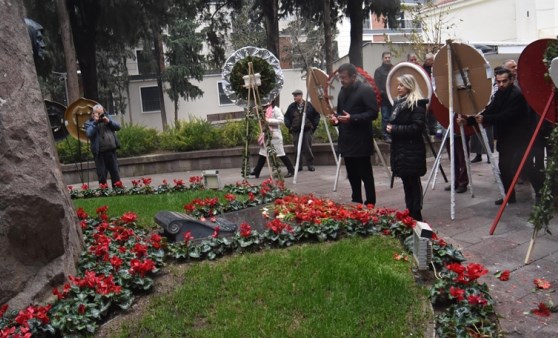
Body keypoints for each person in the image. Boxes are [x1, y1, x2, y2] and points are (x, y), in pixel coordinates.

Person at [461, 68, 533, 205]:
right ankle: (509, 196)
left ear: (511, 80)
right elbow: (491, 109)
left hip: (520, 139)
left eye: (504, 81)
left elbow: (505, 116)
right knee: (505, 167)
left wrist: (485, 118)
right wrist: (469, 120)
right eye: (498, 82)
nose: (501, 85)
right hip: (506, 138)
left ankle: (542, 195)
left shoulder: (516, 95)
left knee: (527, 167)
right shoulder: (500, 93)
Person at [328, 63, 379, 205]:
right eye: (340, 78)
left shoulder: (365, 90)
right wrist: (335, 120)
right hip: (347, 141)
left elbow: (373, 113)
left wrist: (353, 118)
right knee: (352, 175)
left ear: (353, 77)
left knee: (366, 174)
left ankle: (370, 203)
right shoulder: (342, 92)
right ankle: (356, 200)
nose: (341, 80)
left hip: (361, 141)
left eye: (344, 77)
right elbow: (340, 114)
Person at [386, 74, 428, 221]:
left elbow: (417, 128)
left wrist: (395, 129)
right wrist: (390, 128)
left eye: (401, 85)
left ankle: (416, 213)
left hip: (412, 150)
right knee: (406, 182)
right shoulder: (399, 103)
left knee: (413, 182)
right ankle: (410, 210)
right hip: (401, 150)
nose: (398, 88)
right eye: (398, 85)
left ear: (410, 86)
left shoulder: (417, 104)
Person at [250, 101, 295, 178]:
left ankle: (291, 170)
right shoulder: (264, 109)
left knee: (281, 154)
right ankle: (257, 171)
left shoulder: (275, 109)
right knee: (263, 154)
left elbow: (281, 120)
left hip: (275, 135)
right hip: (266, 135)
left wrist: (268, 120)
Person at [85, 104, 122, 187]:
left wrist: (109, 122)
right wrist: (95, 122)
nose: (101, 115)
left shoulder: (107, 118)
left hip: (111, 150)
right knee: (102, 174)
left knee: (115, 172)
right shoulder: (89, 123)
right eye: (98, 113)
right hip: (99, 153)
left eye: (101, 113)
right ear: (93, 113)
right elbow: (89, 133)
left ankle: (118, 190)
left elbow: (118, 127)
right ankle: (104, 191)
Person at [284, 89, 320, 171]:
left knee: (307, 147)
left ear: (301, 96)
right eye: (294, 96)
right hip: (296, 130)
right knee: (297, 148)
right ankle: (298, 165)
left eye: (296, 96)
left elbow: (317, 115)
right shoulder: (291, 106)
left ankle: (310, 164)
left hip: (307, 129)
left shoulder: (309, 105)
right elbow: (286, 117)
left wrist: (313, 126)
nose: (294, 97)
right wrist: (290, 126)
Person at [374, 51, 394, 143]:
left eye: (389, 57)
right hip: (385, 99)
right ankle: (385, 135)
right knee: (385, 117)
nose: (387, 59)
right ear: (382, 59)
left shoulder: (394, 69)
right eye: (386, 57)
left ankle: (392, 134)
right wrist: (384, 94)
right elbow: (376, 86)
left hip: (394, 99)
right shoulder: (378, 71)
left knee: (393, 117)